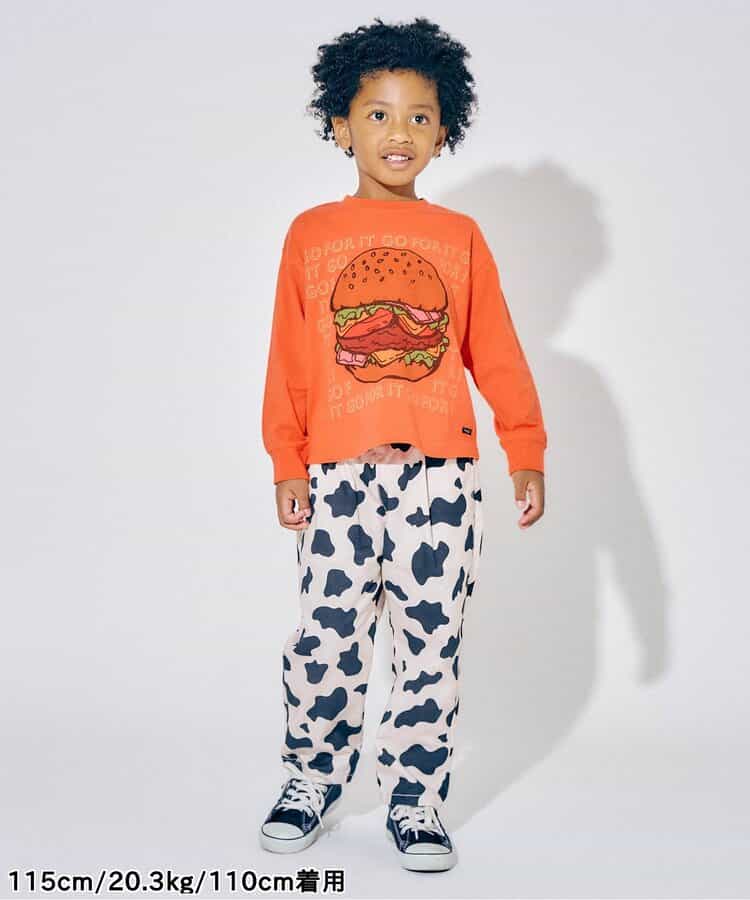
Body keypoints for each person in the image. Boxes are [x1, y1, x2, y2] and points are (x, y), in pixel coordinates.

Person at [258, 16, 547, 873]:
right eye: (378, 114)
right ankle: (312, 778)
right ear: (340, 127)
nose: (399, 132)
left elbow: (496, 351)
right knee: (326, 638)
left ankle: (415, 798)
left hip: (441, 480)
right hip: (337, 475)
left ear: (443, 130)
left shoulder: (459, 238)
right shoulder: (311, 233)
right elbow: (290, 359)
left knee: (430, 646)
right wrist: (286, 458)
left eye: (420, 116)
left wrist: (525, 447)